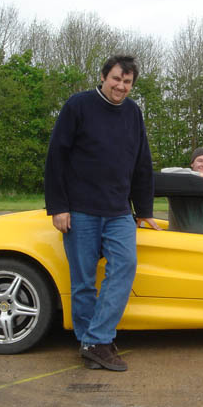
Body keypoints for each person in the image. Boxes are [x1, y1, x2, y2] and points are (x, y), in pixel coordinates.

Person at [44, 55, 160, 372]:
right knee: (83, 282)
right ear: (103, 76)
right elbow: (56, 157)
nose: (121, 86)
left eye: (127, 82)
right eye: (116, 79)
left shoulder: (133, 113)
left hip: (119, 211)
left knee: (124, 266)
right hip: (80, 210)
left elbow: (142, 162)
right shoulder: (78, 106)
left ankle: (96, 339)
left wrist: (143, 209)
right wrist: (58, 206)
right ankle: (91, 344)